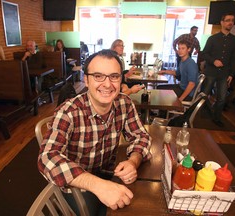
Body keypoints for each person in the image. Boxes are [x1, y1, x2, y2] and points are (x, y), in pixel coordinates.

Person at [38, 49, 152, 215]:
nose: (107, 84)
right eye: (98, 76)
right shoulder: (69, 112)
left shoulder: (124, 103)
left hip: (108, 174)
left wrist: (134, 161)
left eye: (114, 76)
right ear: (86, 80)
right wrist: (98, 185)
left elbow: (142, 137)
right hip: (77, 184)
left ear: (121, 79)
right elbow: (46, 157)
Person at [202, 13, 235, 127]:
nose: (230, 22)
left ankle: (216, 118)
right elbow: (204, 54)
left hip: (224, 73)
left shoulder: (234, 40)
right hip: (211, 71)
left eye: (232, 20)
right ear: (222, 22)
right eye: (228, 20)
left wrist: (231, 74)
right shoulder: (213, 38)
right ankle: (199, 114)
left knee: (222, 98)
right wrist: (213, 61)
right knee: (204, 95)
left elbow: (234, 59)